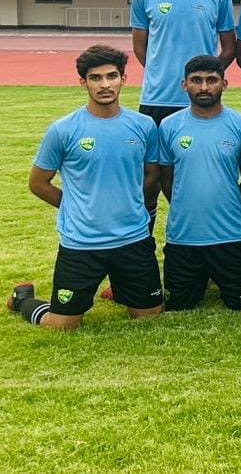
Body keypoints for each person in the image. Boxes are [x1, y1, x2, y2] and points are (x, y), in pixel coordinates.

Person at [9, 46, 163, 329]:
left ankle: (122, 286)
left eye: (112, 76)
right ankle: (22, 300)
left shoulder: (143, 126)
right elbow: (38, 182)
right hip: (82, 244)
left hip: (133, 240)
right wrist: (74, 205)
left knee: (150, 316)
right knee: (62, 325)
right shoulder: (64, 129)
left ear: (123, 79)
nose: (105, 84)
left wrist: (129, 203)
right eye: (96, 78)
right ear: (83, 82)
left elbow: (152, 175)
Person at [154, 55, 241, 311]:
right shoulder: (169, 125)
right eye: (196, 81)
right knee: (178, 306)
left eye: (212, 80)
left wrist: (231, 205)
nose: (205, 87)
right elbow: (166, 178)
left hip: (230, 237)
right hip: (183, 238)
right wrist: (184, 204)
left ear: (224, 84)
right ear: (184, 85)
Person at [131, 0, 236, 126]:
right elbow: (139, 48)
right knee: (155, 159)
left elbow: (229, 49)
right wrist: (160, 71)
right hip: (157, 98)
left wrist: (204, 78)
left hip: (201, 98)